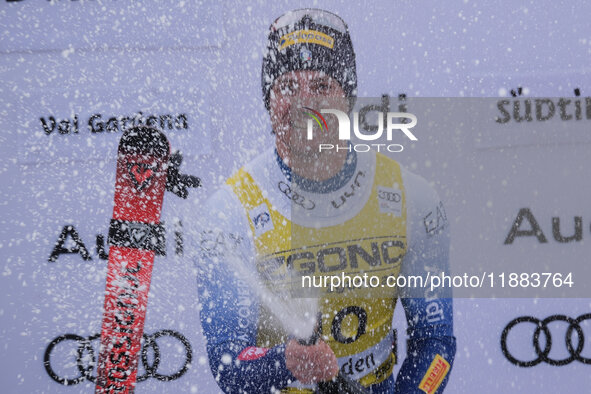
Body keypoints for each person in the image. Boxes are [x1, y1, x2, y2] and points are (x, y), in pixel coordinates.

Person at [193, 9, 456, 393]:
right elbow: (227, 363)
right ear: (268, 102)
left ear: (346, 101)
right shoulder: (229, 211)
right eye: (285, 87)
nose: (303, 104)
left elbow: (436, 344)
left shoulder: (411, 199)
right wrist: (283, 362)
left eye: (320, 86)